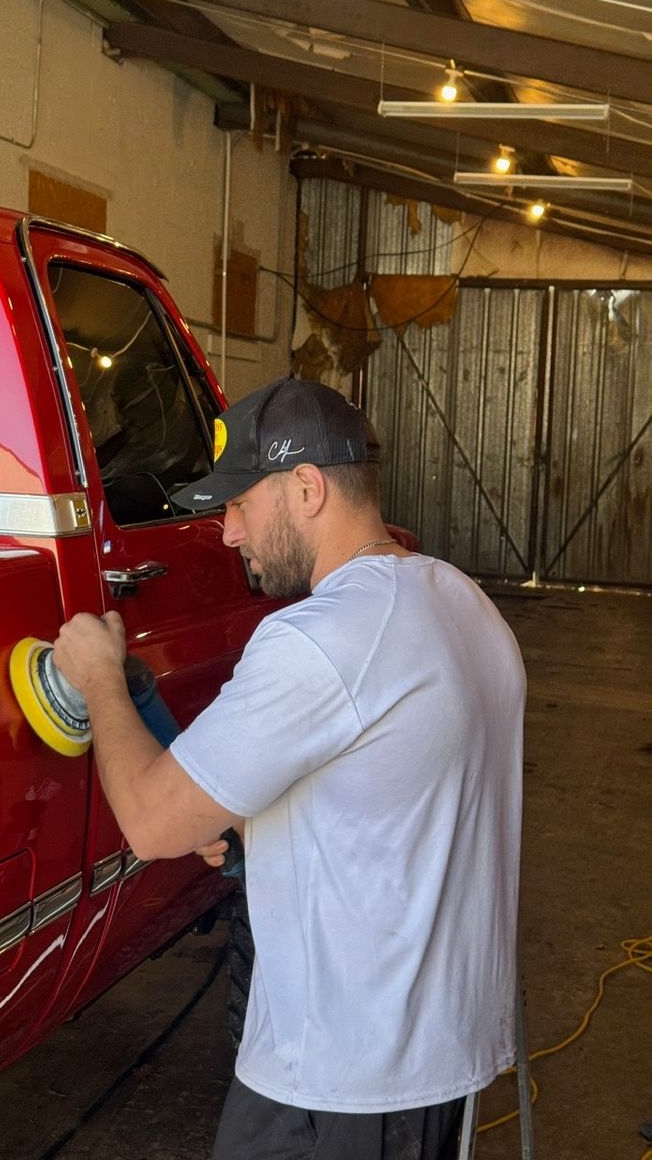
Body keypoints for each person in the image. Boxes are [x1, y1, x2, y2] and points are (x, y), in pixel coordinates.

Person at [51, 375, 525, 1160]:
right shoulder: (461, 601)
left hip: (338, 1087)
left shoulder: (318, 637)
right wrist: (250, 821)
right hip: (439, 1066)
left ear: (305, 488)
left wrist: (100, 672)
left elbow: (148, 820)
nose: (228, 532)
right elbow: (401, 792)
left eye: (240, 504)